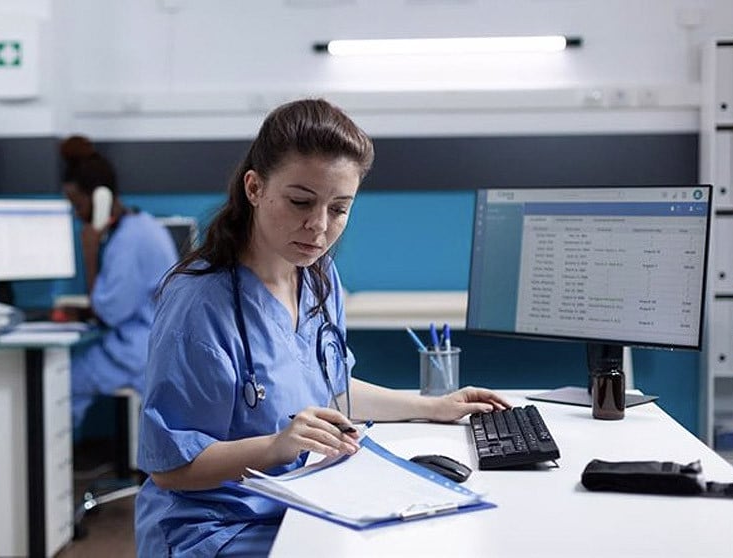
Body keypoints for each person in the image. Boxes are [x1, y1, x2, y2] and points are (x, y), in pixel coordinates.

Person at [135, 99, 511, 556]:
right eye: (300, 202)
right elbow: (170, 468)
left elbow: (328, 390)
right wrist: (276, 446)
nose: (318, 227)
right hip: (217, 526)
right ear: (254, 188)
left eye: (339, 209)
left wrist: (433, 406)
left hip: (300, 502)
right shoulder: (200, 305)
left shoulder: (317, 277)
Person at [59, 136, 180, 429]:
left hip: (138, 351)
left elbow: (108, 312)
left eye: (77, 205)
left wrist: (89, 252)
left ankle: (54, 470)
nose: (77, 215)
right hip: (152, 344)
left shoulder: (126, 242)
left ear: (100, 198)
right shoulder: (144, 225)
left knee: (60, 382)